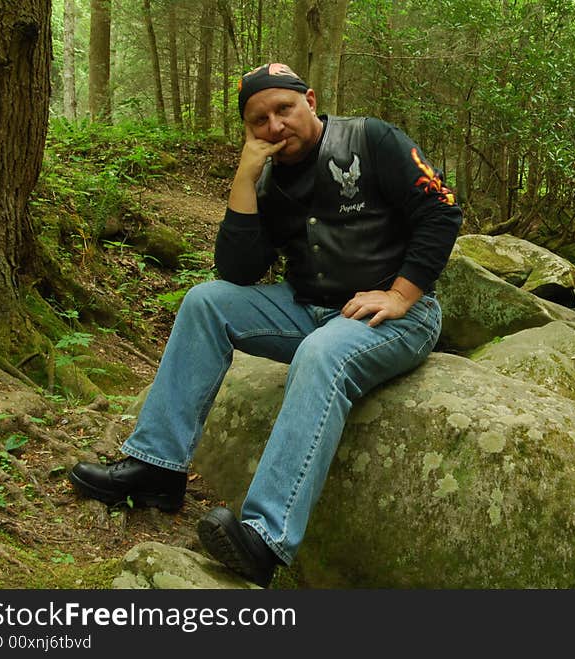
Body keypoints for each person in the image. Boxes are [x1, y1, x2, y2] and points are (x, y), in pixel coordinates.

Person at [68, 63, 463, 587]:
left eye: (284, 109)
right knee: (207, 302)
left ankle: (265, 537)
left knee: (323, 352)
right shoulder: (270, 180)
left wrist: (400, 293)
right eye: (259, 119)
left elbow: (442, 208)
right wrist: (244, 179)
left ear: (310, 100)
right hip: (308, 308)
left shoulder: (371, 139)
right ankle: (158, 468)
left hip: (398, 317)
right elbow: (237, 273)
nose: (275, 126)